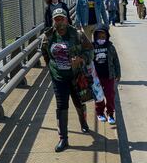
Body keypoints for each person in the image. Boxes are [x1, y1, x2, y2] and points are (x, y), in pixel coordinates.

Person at [42, 8, 94, 152]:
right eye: (56, 19)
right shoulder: (48, 36)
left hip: (75, 76)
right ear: (53, 21)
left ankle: (83, 122)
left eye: (62, 18)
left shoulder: (77, 34)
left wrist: (81, 59)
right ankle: (63, 138)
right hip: (58, 77)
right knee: (61, 106)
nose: (59, 22)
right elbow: (44, 52)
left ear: (66, 19)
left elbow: (90, 50)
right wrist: (52, 68)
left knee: (79, 101)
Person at [93, 26, 121, 125]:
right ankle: (100, 112)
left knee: (110, 95)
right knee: (99, 96)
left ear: (107, 36)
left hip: (109, 76)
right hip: (97, 77)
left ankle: (110, 114)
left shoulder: (110, 47)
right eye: (99, 36)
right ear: (95, 37)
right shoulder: (92, 47)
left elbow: (116, 61)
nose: (101, 38)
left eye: (103, 36)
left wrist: (118, 73)